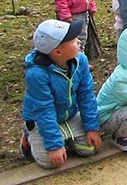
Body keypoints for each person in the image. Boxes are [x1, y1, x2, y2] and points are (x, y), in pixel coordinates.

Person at [20, 19, 102, 168]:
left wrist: (92, 128)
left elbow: (86, 95)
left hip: (69, 114)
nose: (78, 41)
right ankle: (30, 133)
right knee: (50, 162)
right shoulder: (36, 74)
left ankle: (64, 136)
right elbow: (44, 109)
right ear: (58, 52)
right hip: (42, 118)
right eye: (73, 41)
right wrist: (54, 146)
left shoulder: (81, 60)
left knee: (89, 149)